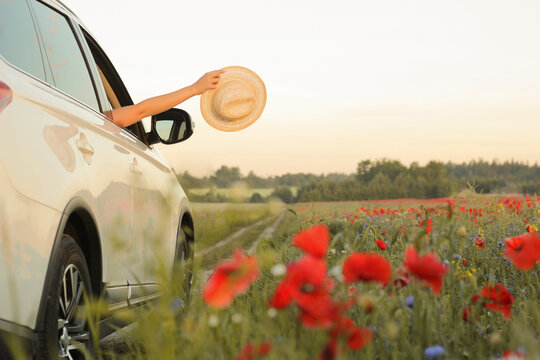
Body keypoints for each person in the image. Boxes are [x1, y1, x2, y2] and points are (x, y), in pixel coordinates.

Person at [104, 70, 224, 127]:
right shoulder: (94, 121)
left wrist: (195, 88)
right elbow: (140, 111)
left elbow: (141, 111)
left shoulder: (90, 120)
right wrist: (194, 89)